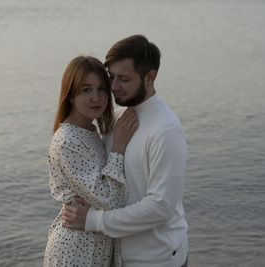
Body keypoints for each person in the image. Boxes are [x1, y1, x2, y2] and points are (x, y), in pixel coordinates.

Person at [62, 35, 189, 266]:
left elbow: (161, 207)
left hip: (156, 259)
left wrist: (94, 221)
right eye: (111, 76)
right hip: (116, 257)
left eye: (123, 79)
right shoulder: (117, 118)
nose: (113, 87)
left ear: (151, 76)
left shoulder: (166, 130)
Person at [44, 56, 138, 267]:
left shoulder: (89, 131)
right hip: (76, 251)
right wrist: (119, 146)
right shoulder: (68, 140)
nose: (96, 98)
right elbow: (109, 200)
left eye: (101, 89)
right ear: (70, 96)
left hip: (94, 248)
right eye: (86, 90)